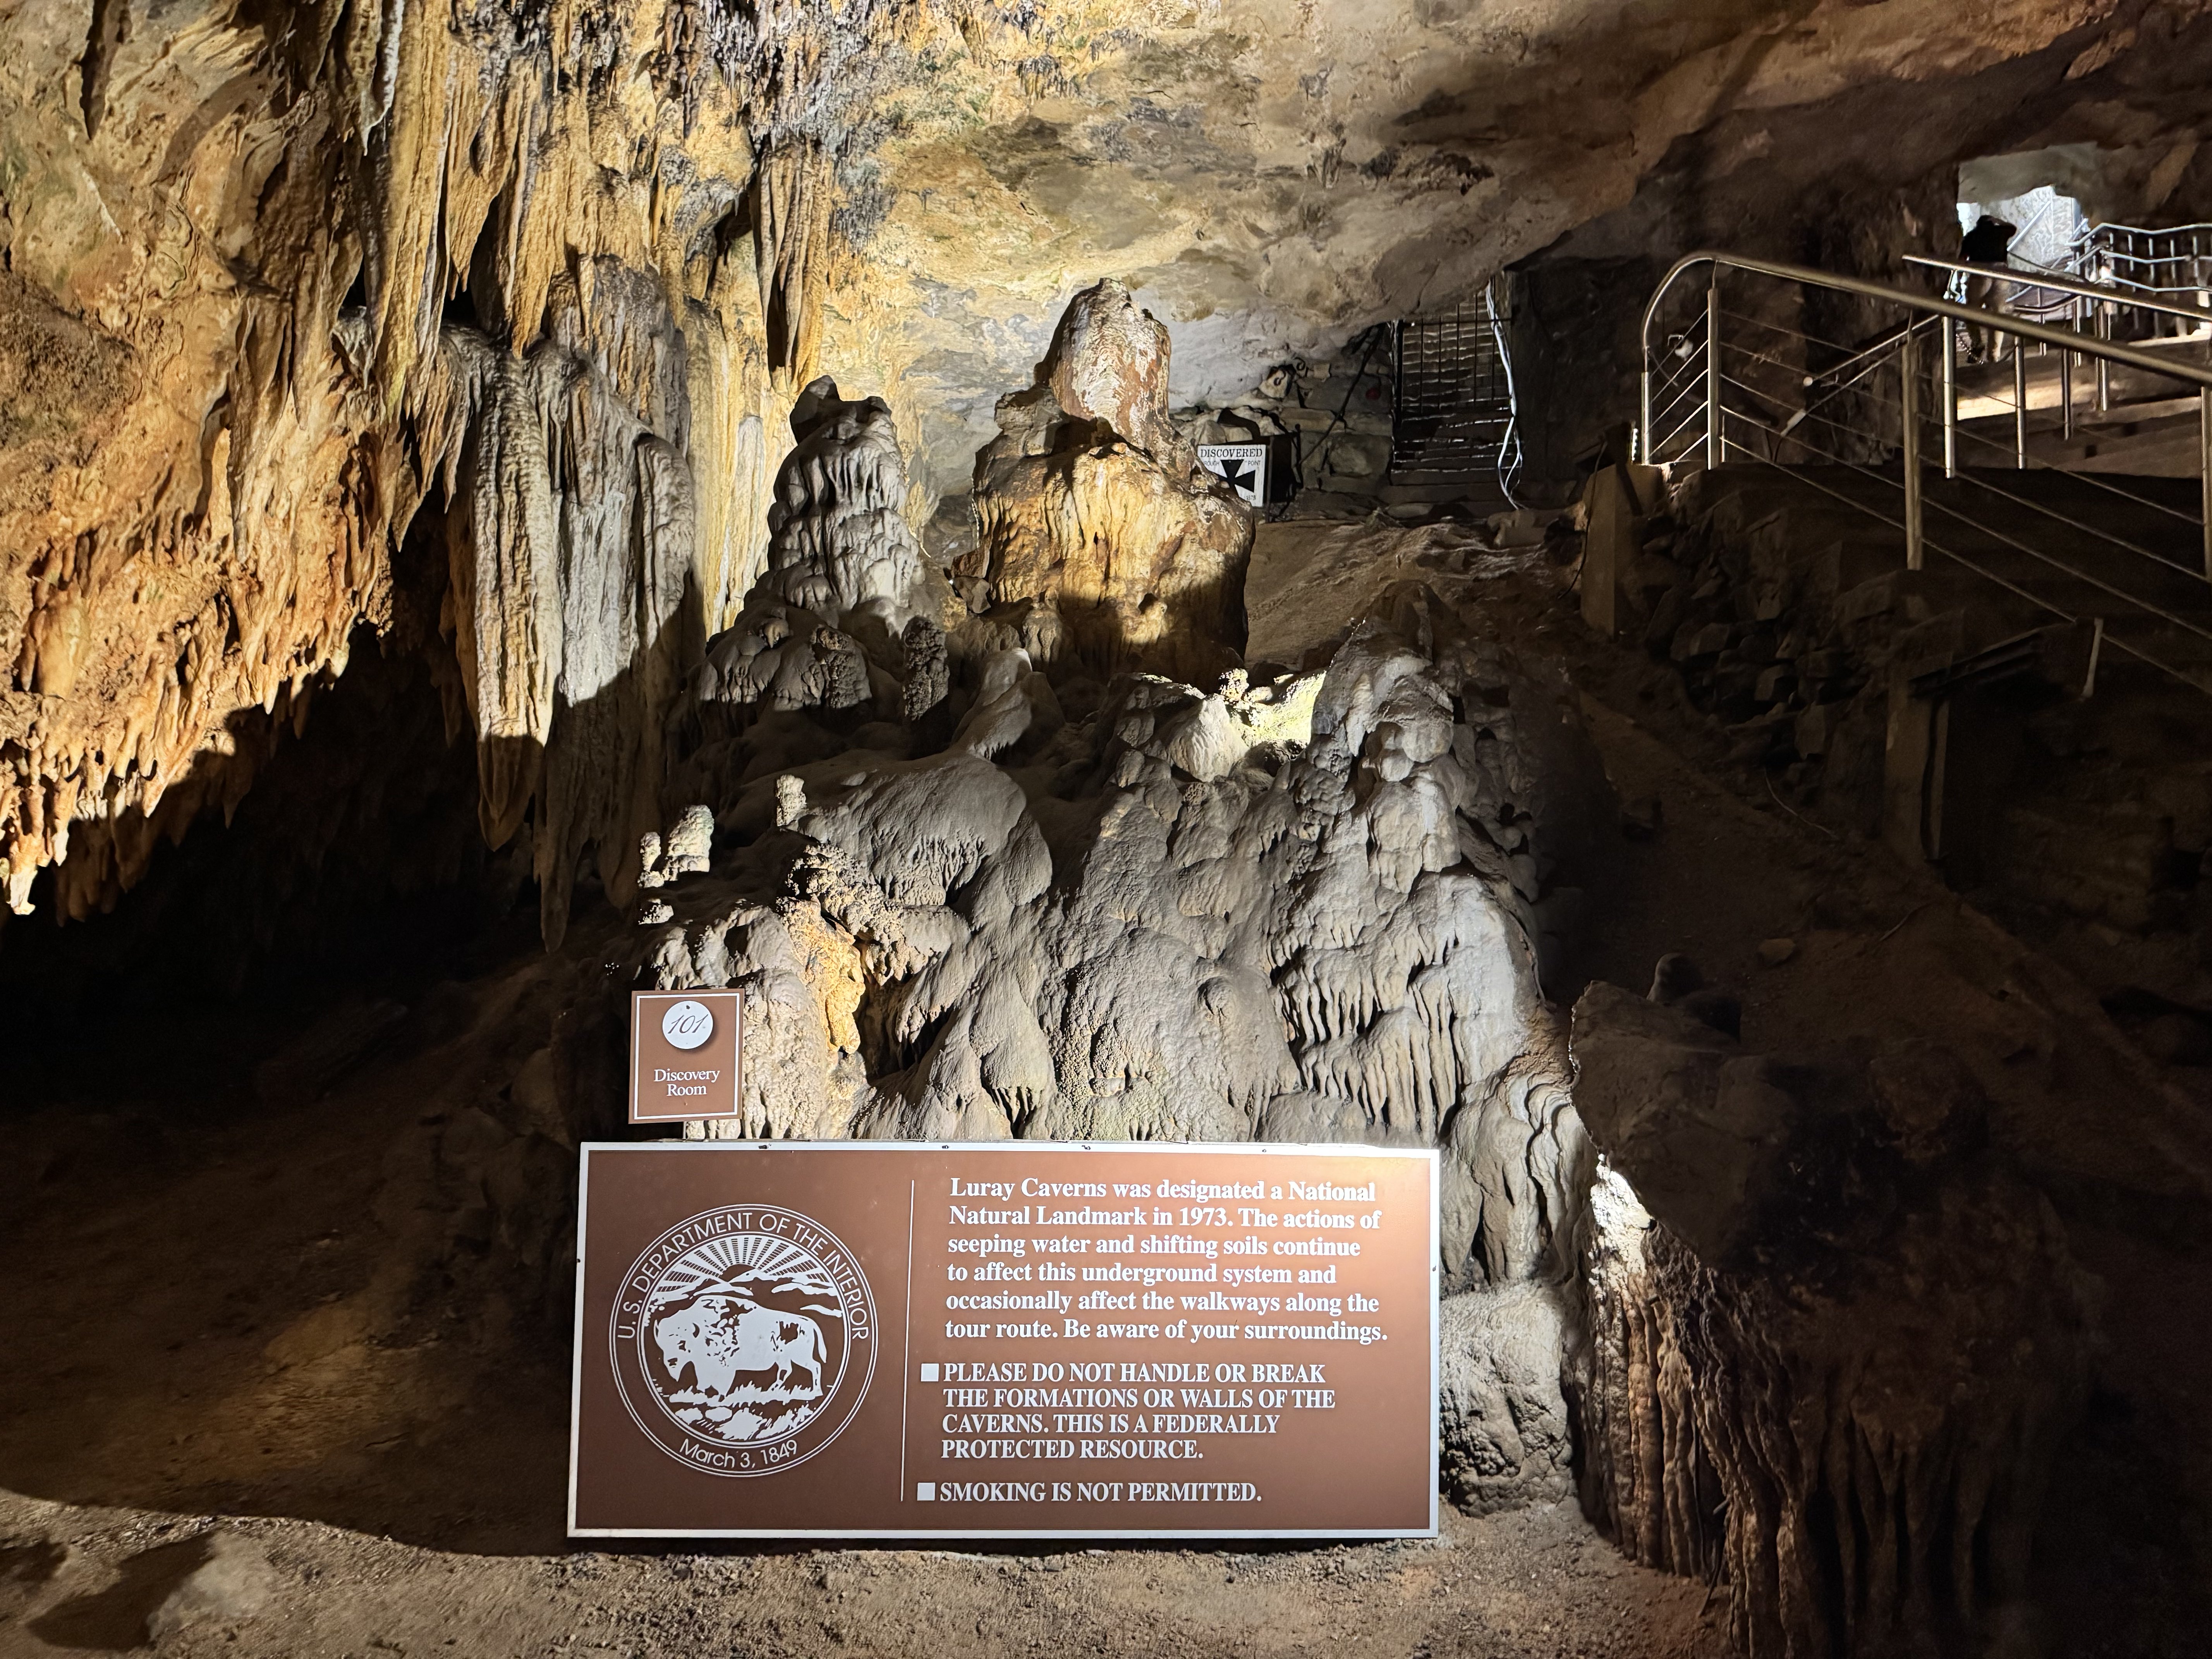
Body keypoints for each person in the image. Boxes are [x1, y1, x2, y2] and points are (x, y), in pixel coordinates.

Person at [1960, 213, 2018, 362]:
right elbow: (2012, 228)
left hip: (1980, 274)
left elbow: (1962, 258)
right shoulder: (2000, 232)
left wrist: (1959, 278)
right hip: (2001, 274)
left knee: (1972, 310)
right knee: (1998, 314)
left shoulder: (1972, 236)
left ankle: (1977, 343)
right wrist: (1999, 221)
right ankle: (1994, 355)